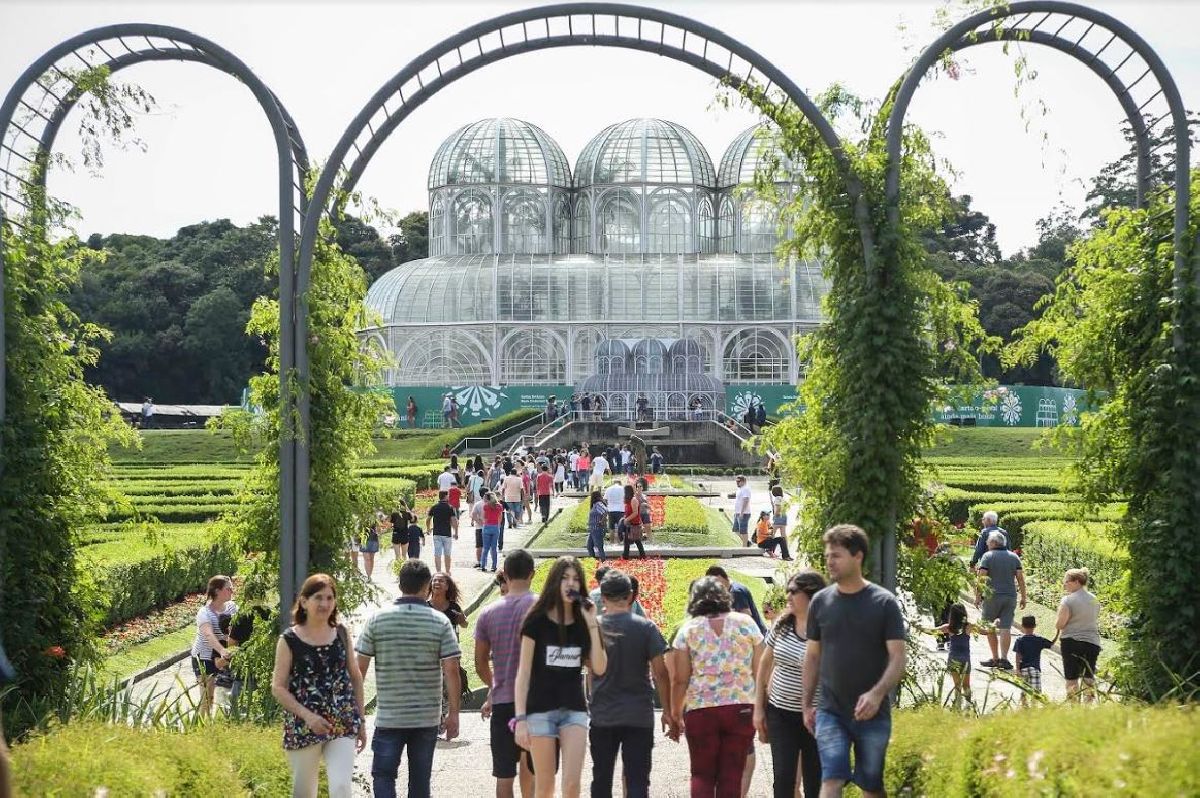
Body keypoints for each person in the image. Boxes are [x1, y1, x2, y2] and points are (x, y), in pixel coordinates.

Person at [803, 524, 906, 798]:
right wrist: (806, 705)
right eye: (828, 555)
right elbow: (812, 656)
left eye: (836, 555)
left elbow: (898, 658)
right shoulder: (820, 602)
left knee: (870, 786)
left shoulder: (884, 603)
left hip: (873, 713)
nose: (829, 561)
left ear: (857, 556)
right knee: (831, 780)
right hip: (830, 711)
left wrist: (877, 694)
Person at [356, 559, 461, 798]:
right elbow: (451, 670)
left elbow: (358, 671)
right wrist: (453, 712)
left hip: (389, 716)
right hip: (426, 717)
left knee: (383, 775)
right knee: (420, 781)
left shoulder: (377, 619)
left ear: (400, 584)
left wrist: (357, 714)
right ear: (427, 586)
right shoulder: (440, 621)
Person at [514, 556, 608, 798]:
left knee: (572, 786)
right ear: (555, 582)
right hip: (539, 710)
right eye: (565, 578)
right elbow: (523, 674)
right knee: (545, 788)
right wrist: (521, 719)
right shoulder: (536, 621)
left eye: (576, 579)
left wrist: (592, 623)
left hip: (574, 710)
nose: (571, 584)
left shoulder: (582, 623)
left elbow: (599, 667)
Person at [271, 574, 365, 798]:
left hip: (342, 721)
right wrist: (308, 716)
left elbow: (355, 676)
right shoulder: (288, 640)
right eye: (318, 598)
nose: (324, 604)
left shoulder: (342, 633)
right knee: (304, 792)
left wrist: (360, 720)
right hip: (304, 725)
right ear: (304, 602)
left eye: (329, 598)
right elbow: (278, 687)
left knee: (341, 787)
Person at [671, 576, 763, 797]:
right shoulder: (746, 624)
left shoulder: (688, 630)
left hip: (701, 708)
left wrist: (675, 713)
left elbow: (680, 679)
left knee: (702, 774)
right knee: (732, 774)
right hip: (740, 707)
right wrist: (761, 707)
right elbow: (759, 670)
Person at [590, 570, 677, 798]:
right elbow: (661, 673)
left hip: (603, 715)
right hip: (638, 714)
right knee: (638, 780)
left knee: (601, 778)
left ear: (604, 598)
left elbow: (589, 671)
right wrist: (667, 711)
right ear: (630, 596)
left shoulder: (594, 629)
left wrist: (590, 702)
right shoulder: (646, 628)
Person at [754, 570, 826, 798]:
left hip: (816, 716)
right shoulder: (782, 624)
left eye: (794, 591)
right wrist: (759, 708)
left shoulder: (827, 629)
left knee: (816, 782)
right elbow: (765, 664)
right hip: (781, 713)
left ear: (811, 596)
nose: (788, 595)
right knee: (783, 780)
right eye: (788, 590)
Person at [476, 549, 539, 798]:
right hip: (537, 701)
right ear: (532, 574)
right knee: (533, 769)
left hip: (503, 701)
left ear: (505, 574)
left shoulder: (488, 613)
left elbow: (480, 662)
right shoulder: (543, 608)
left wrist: (495, 684)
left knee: (504, 775)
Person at [975, 530, 1026, 670]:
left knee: (990, 627)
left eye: (988, 541)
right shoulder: (1014, 557)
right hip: (1010, 597)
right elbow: (1020, 578)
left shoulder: (987, 556)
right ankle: (1004, 658)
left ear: (993, 542)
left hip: (992, 597)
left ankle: (995, 657)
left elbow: (982, 577)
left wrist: (978, 595)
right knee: (1005, 627)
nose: (986, 543)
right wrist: (1024, 597)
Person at [191, 574, 237, 716]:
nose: (232, 591)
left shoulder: (232, 608)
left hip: (223, 657)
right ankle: (202, 729)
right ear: (217, 591)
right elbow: (208, 634)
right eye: (228, 589)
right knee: (207, 699)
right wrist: (222, 650)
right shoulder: (204, 613)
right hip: (204, 659)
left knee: (227, 697)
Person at [1056, 567, 1102, 702]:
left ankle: (1074, 707)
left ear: (1076, 582)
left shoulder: (1068, 600)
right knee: (1089, 676)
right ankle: (1088, 706)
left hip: (1072, 642)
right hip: (1092, 642)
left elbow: (1060, 624)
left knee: (1072, 678)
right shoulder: (1095, 599)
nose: (1064, 584)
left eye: (1066, 581)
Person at [927, 603, 980, 709]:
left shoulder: (949, 627)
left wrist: (917, 627)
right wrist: (994, 626)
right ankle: (969, 704)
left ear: (952, 615)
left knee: (957, 685)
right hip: (965, 658)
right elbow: (985, 631)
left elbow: (932, 631)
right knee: (966, 685)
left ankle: (958, 706)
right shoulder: (969, 626)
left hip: (953, 658)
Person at [706, 565, 767, 635]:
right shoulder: (728, 591)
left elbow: (746, 617)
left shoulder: (736, 592)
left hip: (754, 636)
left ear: (719, 578)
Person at [1013, 614, 1057, 704]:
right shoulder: (1039, 639)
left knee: (1024, 691)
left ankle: (1023, 707)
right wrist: (1058, 632)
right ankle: (1034, 708)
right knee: (1036, 693)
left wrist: (1017, 669)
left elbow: (1018, 655)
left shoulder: (1019, 640)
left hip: (1023, 669)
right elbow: (1051, 644)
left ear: (1022, 626)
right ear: (1035, 626)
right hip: (1035, 669)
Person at [426, 490, 459, 574]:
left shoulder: (434, 507)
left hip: (436, 533)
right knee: (447, 554)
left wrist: (428, 528)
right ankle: (447, 571)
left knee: (437, 553)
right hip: (447, 534)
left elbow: (428, 519)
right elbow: (454, 520)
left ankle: (438, 572)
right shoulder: (450, 507)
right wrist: (456, 532)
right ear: (445, 496)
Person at [480, 491, 505, 573]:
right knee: (494, 548)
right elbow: (500, 517)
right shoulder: (499, 506)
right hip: (495, 527)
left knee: (485, 547)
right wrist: (498, 526)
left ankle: (483, 565)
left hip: (487, 526)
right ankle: (494, 566)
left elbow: (484, 517)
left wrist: (485, 523)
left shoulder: (486, 506)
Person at [622, 484, 646, 560]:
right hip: (630, 524)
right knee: (630, 541)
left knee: (636, 541)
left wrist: (627, 519)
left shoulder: (633, 500)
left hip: (634, 524)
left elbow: (635, 513)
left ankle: (641, 556)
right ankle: (627, 557)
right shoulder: (628, 500)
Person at [586, 490, 608, 562]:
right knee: (589, 546)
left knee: (599, 547)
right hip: (593, 529)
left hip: (597, 529)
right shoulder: (595, 505)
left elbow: (605, 511)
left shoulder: (598, 504)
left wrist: (602, 521)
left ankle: (603, 562)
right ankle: (593, 561)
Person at [604, 479, 626, 544]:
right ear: (620, 483)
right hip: (621, 510)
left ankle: (611, 543)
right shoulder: (623, 489)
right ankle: (620, 543)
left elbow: (605, 500)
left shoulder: (608, 489)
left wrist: (608, 506)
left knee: (611, 528)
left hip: (611, 510)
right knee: (620, 528)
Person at [733, 475, 753, 547]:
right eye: (736, 481)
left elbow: (746, 500)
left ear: (744, 481)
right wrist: (736, 512)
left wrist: (741, 512)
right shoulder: (740, 489)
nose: (737, 483)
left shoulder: (746, 489)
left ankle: (744, 547)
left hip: (744, 513)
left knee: (743, 531)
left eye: (738, 481)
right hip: (737, 512)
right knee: (736, 530)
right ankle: (747, 542)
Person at [361, 513, 382, 580]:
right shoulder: (361, 516)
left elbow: (379, 530)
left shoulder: (375, 517)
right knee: (367, 559)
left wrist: (379, 533)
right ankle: (368, 576)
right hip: (364, 539)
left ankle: (369, 575)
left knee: (371, 559)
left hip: (373, 539)